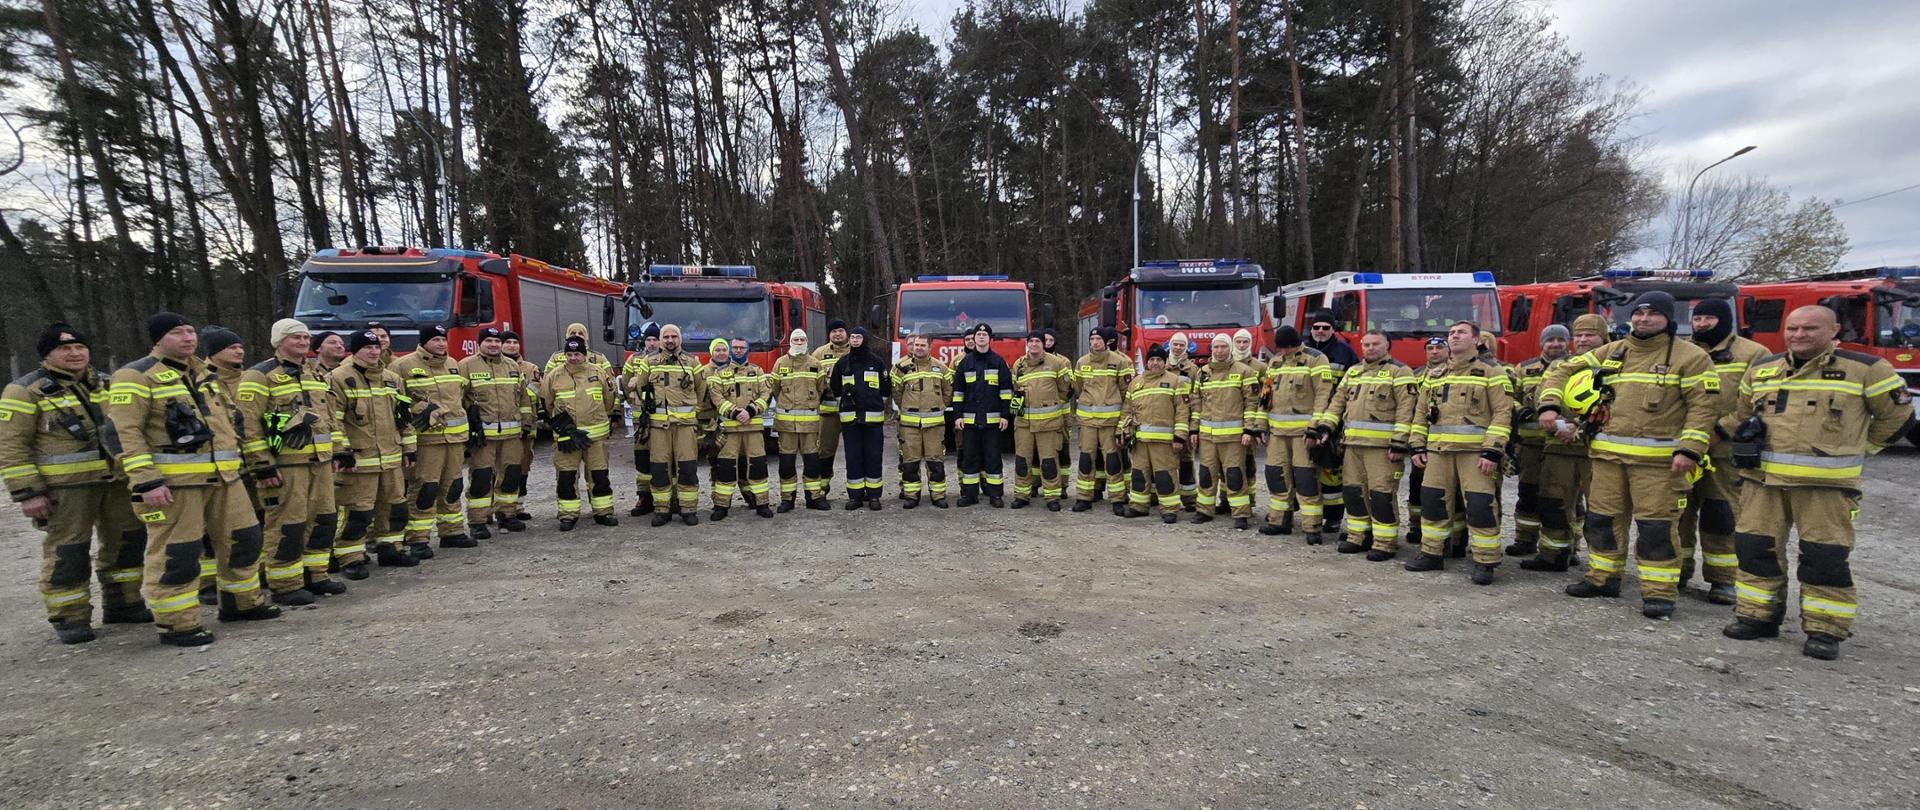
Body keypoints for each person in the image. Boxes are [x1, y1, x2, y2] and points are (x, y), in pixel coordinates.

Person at [1722, 305, 1913, 660]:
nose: (1799, 335)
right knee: (1754, 549)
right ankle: (1757, 615)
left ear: (1833, 330)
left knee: (1824, 556)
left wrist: (1861, 447)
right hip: (1762, 482)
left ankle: (1825, 629)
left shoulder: (1865, 370)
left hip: (1825, 486)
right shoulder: (1764, 369)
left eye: (1809, 328)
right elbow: (1743, 413)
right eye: (1792, 328)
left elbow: (1898, 417)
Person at [1538, 291, 1717, 620]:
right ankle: (1603, 577)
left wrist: (1690, 449)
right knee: (1602, 521)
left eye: (1652, 314)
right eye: (1639, 313)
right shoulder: (1613, 351)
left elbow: (1703, 408)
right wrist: (1549, 404)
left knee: (1656, 529)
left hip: (1659, 464)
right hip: (1607, 459)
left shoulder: (1690, 357)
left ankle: (1659, 593)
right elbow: (1561, 371)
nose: (1644, 319)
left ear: (1667, 318)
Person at [110, 313, 278, 647]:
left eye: (190, 332)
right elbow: (123, 432)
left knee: (244, 539)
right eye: (177, 333)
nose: (188, 338)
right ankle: (177, 623)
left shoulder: (204, 374)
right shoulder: (135, 376)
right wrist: (146, 481)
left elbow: (231, 420)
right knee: (179, 553)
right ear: (158, 339)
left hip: (225, 478)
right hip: (175, 484)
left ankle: (241, 603)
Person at [1, 323, 149, 643]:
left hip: (116, 481)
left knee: (128, 541)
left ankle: (123, 602)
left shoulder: (108, 384)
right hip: (65, 488)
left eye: (80, 347)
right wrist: (28, 492)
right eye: (64, 349)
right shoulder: (24, 390)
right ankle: (69, 615)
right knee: (69, 550)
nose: (74, 353)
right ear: (47, 355)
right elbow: (12, 446)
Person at [236, 318, 350, 607]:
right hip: (286, 465)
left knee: (324, 519)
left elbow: (329, 419)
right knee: (288, 524)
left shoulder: (314, 374)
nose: (302, 342)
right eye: (295, 338)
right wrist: (261, 464)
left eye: (305, 337)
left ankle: (317, 574)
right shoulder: (259, 376)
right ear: (279, 341)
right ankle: (285, 583)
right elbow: (248, 425)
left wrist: (338, 450)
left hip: (321, 463)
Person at [1677, 297, 1771, 603]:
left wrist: (1720, 431)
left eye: (1709, 319)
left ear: (1725, 320)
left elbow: (1761, 402)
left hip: (1724, 452)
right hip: (1682, 449)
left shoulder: (1753, 354)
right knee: (1679, 514)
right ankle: (1677, 571)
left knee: (1722, 515)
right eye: (1697, 318)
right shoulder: (1682, 351)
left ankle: (1723, 580)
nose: (1702, 324)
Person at [1406, 321, 1514, 585]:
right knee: (1432, 503)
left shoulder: (1492, 372)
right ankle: (1431, 553)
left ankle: (1485, 561)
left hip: (1475, 455)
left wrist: (1492, 451)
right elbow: (1420, 414)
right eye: (1451, 333)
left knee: (1480, 507)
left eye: (1461, 332)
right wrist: (1417, 445)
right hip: (1438, 453)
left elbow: (1503, 413)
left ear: (1476, 340)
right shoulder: (1435, 374)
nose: (1454, 336)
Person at [1311, 330, 1416, 560]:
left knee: (1381, 495)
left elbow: (1406, 411)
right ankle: (1358, 536)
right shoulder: (1354, 371)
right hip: (1353, 445)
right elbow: (1337, 403)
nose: (1370, 348)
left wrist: (1399, 444)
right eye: (1366, 344)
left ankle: (1385, 543)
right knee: (1353, 493)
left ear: (1387, 345)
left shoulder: (1400, 372)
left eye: (1375, 344)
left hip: (1382, 449)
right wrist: (1326, 427)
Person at [328, 329, 418, 572]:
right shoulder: (338, 377)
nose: (373, 351)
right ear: (355, 350)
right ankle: (350, 557)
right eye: (367, 347)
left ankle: (391, 549)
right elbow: (332, 419)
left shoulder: (391, 378)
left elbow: (403, 417)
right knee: (358, 512)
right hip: (359, 460)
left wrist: (409, 448)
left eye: (376, 346)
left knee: (394, 507)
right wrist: (340, 450)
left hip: (391, 457)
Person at [1525, 314, 1608, 572]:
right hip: (1559, 446)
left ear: (1603, 338)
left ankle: (1602, 566)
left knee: (1601, 508)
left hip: (1599, 449)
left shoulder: (1618, 364)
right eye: (1579, 335)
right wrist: (1557, 420)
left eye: (1590, 335)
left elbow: (1618, 403)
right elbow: (1544, 395)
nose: (1583, 340)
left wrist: (1579, 426)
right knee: (1553, 501)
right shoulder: (1562, 366)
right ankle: (1553, 555)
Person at [388, 325, 472, 555]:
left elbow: (460, 399)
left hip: (454, 439)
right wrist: (417, 411)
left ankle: (452, 532)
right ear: (423, 342)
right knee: (425, 487)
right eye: (435, 340)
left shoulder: (453, 364)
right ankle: (418, 538)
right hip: (426, 440)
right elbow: (395, 405)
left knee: (453, 485)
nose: (441, 344)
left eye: (443, 339)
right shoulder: (402, 366)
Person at [1258, 326, 1334, 541]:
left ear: (1295, 345)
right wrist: (1259, 426)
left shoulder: (1316, 359)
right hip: (1277, 434)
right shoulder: (1275, 362)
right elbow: (1266, 398)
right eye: (1280, 350)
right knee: (1276, 476)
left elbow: (1323, 395)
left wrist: (1315, 427)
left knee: (1306, 479)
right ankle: (1279, 521)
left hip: (1303, 434)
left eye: (1285, 349)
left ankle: (1312, 528)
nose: (1283, 353)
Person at [542, 336, 620, 530]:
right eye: (569, 354)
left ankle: (603, 512)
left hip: (596, 438)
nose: (573, 358)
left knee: (599, 475)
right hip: (567, 438)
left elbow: (609, 401)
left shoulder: (599, 373)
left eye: (577, 354)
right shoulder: (554, 376)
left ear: (585, 354)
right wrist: (562, 427)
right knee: (567, 476)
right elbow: (546, 403)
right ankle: (568, 515)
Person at [1507, 325, 1571, 558]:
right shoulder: (1524, 369)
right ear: (1541, 343)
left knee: (1562, 498)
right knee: (1528, 493)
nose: (1555, 344)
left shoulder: (1576, 367)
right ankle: (1524, 540)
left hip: (1565, 445)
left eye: (1560, 340)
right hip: (1531, 445)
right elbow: (1509, 396)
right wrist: (1520, 410)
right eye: (1550, 340)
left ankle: (1567, 547)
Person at [458, 327, 529, 537]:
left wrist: (526, 423)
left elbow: (523, 398)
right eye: (488, 341)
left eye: (497, 341)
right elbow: (458, 400)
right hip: (483, 437)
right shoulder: (466, 366)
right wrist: (467, 430)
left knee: (510, 476)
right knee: (481, 478)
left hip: (511, 435)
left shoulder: (511, 366)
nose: (494, 345)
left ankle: (507, 515)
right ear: (479, 343)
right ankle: (478, 520)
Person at [199, 326, 252, 599]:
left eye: (240, 346)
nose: (239, 350)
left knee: (248, 527)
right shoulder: (201, 381)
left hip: (247, 462)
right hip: (214, 468)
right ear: (214, 353)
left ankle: (250, 578)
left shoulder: (249, 379)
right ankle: (207, 582)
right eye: (232, 347)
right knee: (208, 531)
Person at [1190, 334, 1261, 530]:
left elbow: (1252, 403)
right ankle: (1204, 510)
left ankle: (1240, 514)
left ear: (1230, 348)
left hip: (1233, 437)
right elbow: (1196, 403)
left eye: (1223, 347)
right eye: (1216, 347)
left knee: (1235, 475)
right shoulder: (1203, 373)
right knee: (1206, 474)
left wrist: (1249, 429)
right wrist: (1193, 429)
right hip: (1207, 437)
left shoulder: (1245, 372)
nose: (1219, 351)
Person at [1121, 343, 1191, 523]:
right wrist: (1121, 432)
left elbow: (1183, 411)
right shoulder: (1136, 383)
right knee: (1139, 475)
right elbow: (1126, 411)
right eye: (1151, 359)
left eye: (1159, 359)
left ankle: (1169, 509)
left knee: (1165, 476)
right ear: (1147, 362)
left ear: (1165, 361)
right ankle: (1138, 506)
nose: (1155, 363)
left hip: (1165, 442)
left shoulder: (1176, 381)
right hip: (1140, 442)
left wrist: (1180, 437)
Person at [704, 336, 772, 519]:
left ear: (747, 350)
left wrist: (750, 411)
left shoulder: (757, 371)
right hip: (729, 430)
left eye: (742, 347)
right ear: (731, 350)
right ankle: (721, 507)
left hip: (753, 430)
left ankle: (762, 503)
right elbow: (717, 398)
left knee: (757, 466)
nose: (739, 350)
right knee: (725, 468)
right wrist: (735, 413)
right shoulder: (719, 374)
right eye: (735, 347)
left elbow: (766, 395)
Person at [1305, 309, 1361, 531]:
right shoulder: (1302, 352)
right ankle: (1309, 514)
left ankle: (1334, 518)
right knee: (1305, 470)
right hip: (1306, 420)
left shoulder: (1345, 353)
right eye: (1316, 327)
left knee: (1331, 472)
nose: (1320, 331)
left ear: (1333, 329)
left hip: (1334, 422)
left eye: (1325, 328)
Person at [647, 324, 707, 525]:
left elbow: (701, 390)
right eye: (666, 337)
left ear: (680, 339)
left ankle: (688, 510)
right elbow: (638, 388)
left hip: (685, 427)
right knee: (660, 469)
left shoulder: (692, 363)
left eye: (674, 336)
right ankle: (662, 510)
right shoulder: (649, 362)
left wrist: (693, 414)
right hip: (658, 428)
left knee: (687, 467)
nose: (670, 340)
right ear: (661, 339)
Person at [1070, 327, 1132, 515]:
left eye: (1098, 339)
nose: (1095, 342)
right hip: (1088, 422)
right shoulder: (1082, 362)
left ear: (1106, 342)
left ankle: (1117, 499)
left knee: (1112, 460)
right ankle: (1083, 497)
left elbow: (1126, 393)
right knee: (1086, 459)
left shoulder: (1119, 362)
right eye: (1092, 339)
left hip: (1109, 423)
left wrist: (1123, 421)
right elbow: (1078, 388)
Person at [951, 323, 1013, 507]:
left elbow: (1006, 392)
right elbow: (958, 393)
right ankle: (970, 495)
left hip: (993, 422)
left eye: (985, 335)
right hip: (969, 422)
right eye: (978, 334)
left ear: (990, 339)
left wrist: (1005, 415)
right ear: (974, 339)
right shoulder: (965, 363)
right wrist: (957, 416)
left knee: (993, 458)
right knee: (970, 458)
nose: (981, 337)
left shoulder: (998, 362)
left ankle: (995, 495)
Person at [1011, 330, 1073, 510]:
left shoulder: (1057, 363)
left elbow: (1065, 390)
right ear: (1027, 344)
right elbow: (1016, 390)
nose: (1035, 344)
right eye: (1031, 341)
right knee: (1022, 461)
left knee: (1048, 461)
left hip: (1048, 424)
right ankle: (1022, 495)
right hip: (1024, 425)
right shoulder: (1018, 365)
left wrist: (1052, 406)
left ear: (1043, 344)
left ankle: (1052, 497)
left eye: (1038, 341)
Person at [830, 327, 891, 510]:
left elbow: (886, 389)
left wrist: (874, 403)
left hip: (873, 421)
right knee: (853, 458)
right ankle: (855, 496)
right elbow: (835, 387)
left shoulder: (877, 362)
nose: (855, 340)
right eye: (853, 337)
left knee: (873, 457)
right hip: (851, 422)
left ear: (865, 339)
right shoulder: (843, 363)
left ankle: (874, 497)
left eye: (859, 337)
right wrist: (845, 405)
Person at [770, 328, 830, 511]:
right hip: (786, 425)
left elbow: (821, 389)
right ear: (790, 342)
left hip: (810, 426)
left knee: (812, 463)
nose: (798, 343)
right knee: (787, 464)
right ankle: (787, 500)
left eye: (801, 340)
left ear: (806, 341)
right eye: (795, 340)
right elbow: (775, 389)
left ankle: (814, 498)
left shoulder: (815, 364)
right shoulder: (780, 363)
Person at [892, 333, 952, 509]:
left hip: (934, 425)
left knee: (936, 461)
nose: (918, 348)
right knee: (910, 462)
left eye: (922, 345)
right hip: (909, 425)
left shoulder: (941, 368)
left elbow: (948, 393)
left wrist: (937, 405)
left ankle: (938, 495)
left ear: (930, 347)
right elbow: (896, 393)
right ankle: (912, 496)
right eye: (916, 345)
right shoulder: (900, 368)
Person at [1404, 337, 1450, 547]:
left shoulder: (1454, 373)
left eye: (1439, 348)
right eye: (1430, 348)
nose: (1434, 352)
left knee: (1444, 490)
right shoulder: (1415, 375)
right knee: (1417, 485)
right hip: (1421, 437)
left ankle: (1450, 535)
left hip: (1446, 440)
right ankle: (1416, 526)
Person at [620, 323, 663, 515]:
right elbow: (626, 384)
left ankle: (667, 498)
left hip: (662, 420)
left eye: (655, 339)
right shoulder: (634, 360)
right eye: (649, 339)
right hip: (641, 422)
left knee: (663, 459)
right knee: (642, 460)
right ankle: (644, 498)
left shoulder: (667, 359)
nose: (652, 343)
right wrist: (635, 399)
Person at [811, 320, 855, 498]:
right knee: (825, 450)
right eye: (834, 332)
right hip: (828, 413)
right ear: (829, 334)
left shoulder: (856, 350)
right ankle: (823, 486)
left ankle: (856, 489)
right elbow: (811, 380)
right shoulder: (819, 353)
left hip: (852, 411)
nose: (837, 334)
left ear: (847, 333)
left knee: (854, 450)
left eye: (841, 331)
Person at [501, 331, 540, 523]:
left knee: (523, 466)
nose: (511, 345)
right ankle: (496, 508)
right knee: (496, 469)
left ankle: (519, 505)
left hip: (526, 426)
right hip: (499, 428)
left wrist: (515, 394)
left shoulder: (531, 368)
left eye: (515, 342)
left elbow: (534, 394)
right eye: (507, 342)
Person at [1165, 332, 1201, 509]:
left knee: (1186, 460)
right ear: (1169, 345)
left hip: (1184, 421)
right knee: (1162, 460)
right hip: (1163, 421)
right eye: (1175, 344)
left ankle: (1189, 499)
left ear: (1186, 347)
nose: (1177, 347)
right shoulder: (1160, 365)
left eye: (1181, 345)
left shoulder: (1192, 370)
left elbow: (1196, 399)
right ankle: (1160, 496)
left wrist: (1194, 426)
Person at [543, 322, 613, 373]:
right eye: (573, 333)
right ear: (567, 336)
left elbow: (610, 385)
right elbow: (547, 382)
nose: (577, 336)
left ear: (586, 337)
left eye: (581, 333)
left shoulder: (599, 358)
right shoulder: (555, 358)